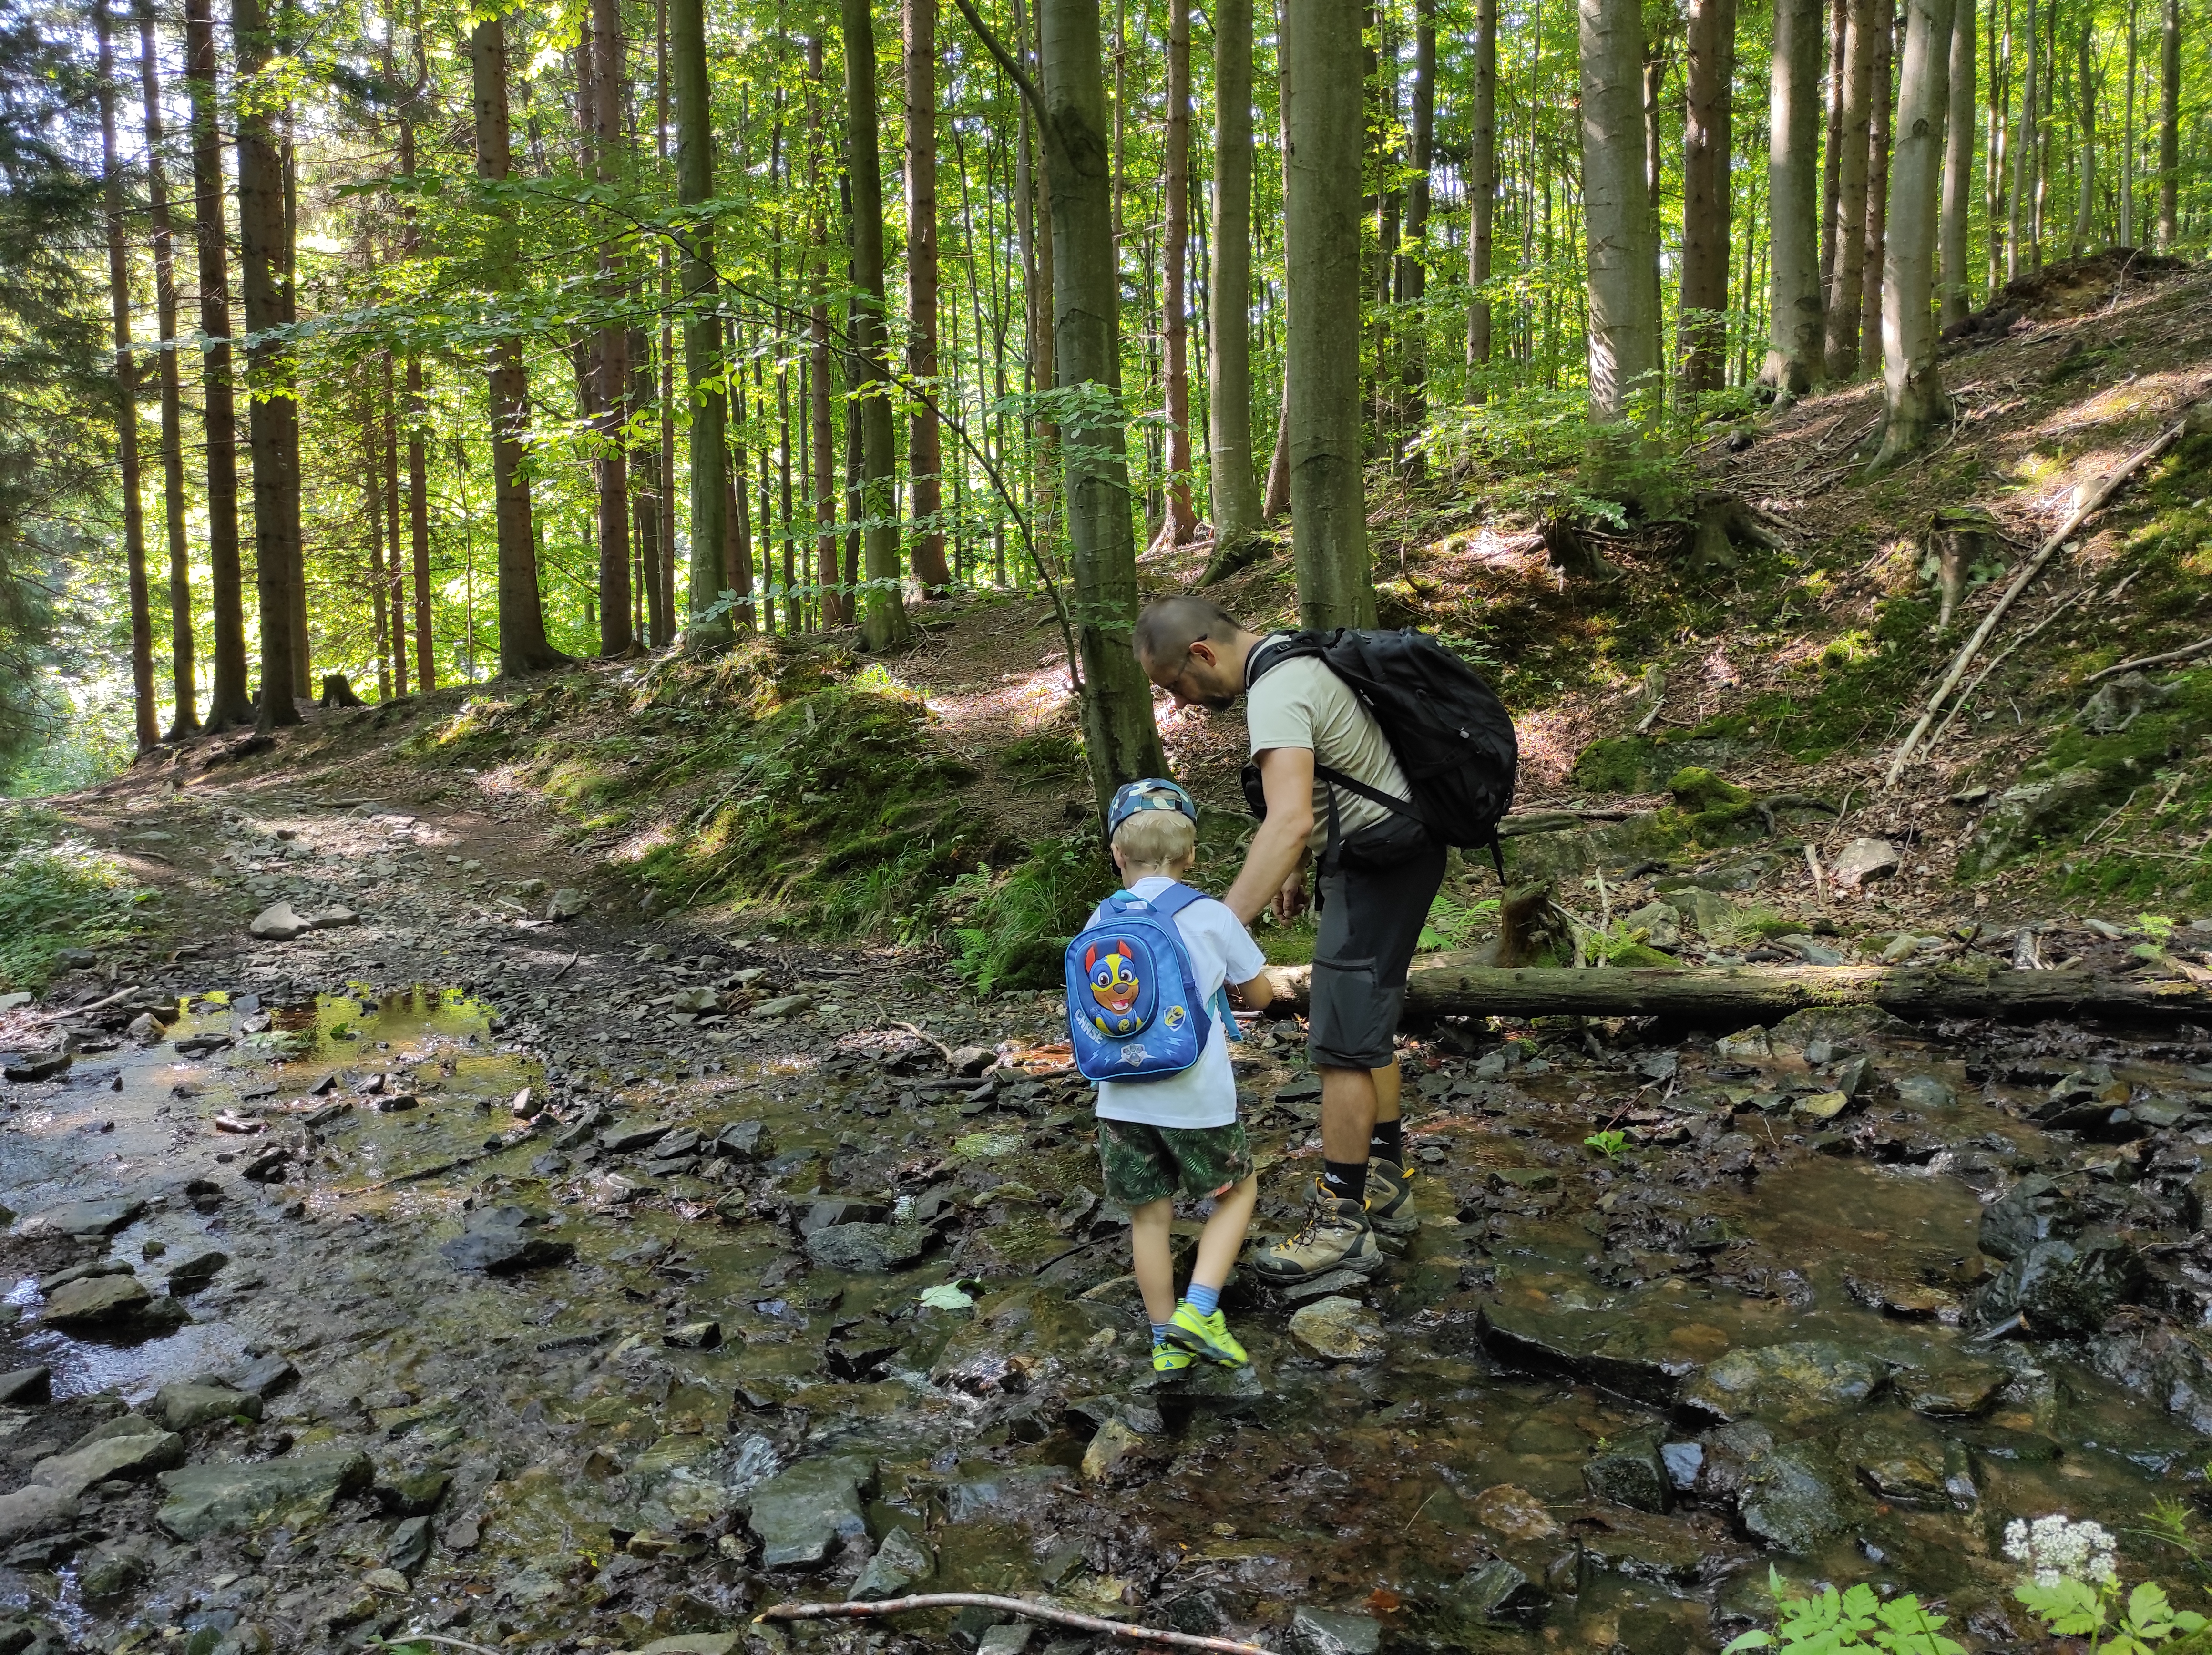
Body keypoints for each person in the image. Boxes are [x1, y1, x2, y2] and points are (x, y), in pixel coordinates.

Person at [1132, 597, 1447, 1283]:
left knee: (1339, 1044)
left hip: (1379, 861)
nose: (1180, 701)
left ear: (1203, 654)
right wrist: (1300, 868)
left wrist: (1206, 928)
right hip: (1390, 851)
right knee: (1365, 1026)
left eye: (1174, 684)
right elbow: (1326, 781)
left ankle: (1342, 1224)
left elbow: (1289, 820)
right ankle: (1386, 1183)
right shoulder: (1291, 657)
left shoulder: (1275, 690)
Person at [1085, 778, 1275, 1372]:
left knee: (1150, 1216)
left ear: (1117, 853)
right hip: (1196, 1098)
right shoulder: (1210, 914)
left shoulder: (1100, 916)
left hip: (1118, 1096)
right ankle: (1199, 1306)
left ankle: (1165, 1341)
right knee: (1237, 1190)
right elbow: (1263, 995)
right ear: (1191, 855)